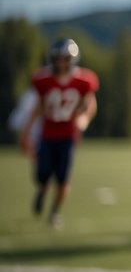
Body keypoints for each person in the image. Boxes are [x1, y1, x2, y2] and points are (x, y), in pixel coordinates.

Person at [20, 39, 100, 228]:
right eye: (57, 59)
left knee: (63, 179)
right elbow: (38, 107)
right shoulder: (43, 80)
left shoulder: (83, 81)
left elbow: (91, 104)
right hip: (47, 135)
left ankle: (55, 212)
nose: (60, 63)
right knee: (43, 176)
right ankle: (42, 191)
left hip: (67, 136)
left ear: (72, 59)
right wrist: (27, 131)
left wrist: (84, 119)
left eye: (64, 59)